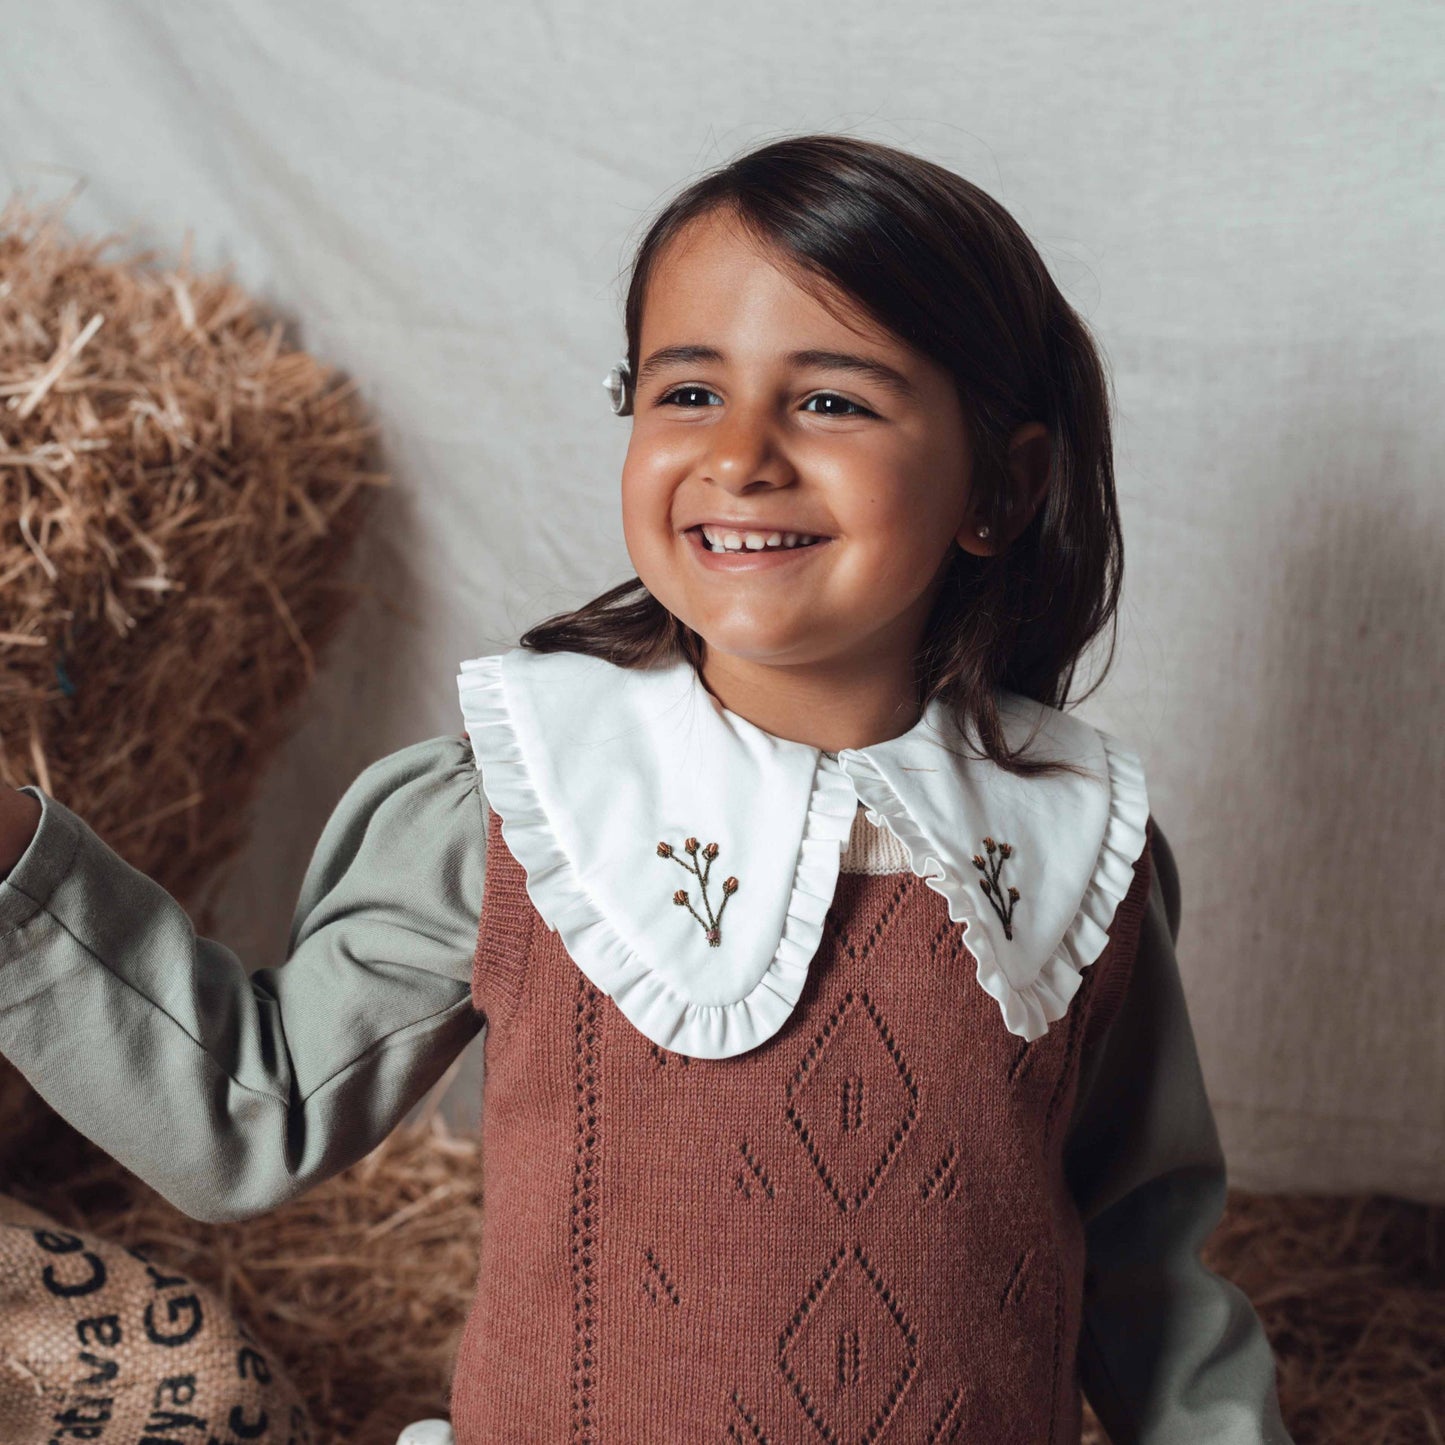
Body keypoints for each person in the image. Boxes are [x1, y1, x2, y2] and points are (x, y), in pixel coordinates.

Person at [0, 134, 1294, 1443]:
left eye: (830, 400)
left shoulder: (1072, 849)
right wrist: (16, 874)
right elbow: (245, 1110)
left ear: (1000, 488)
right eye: (687, 393)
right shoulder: (526, 804)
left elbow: (1146, 1270)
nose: (740, 455)